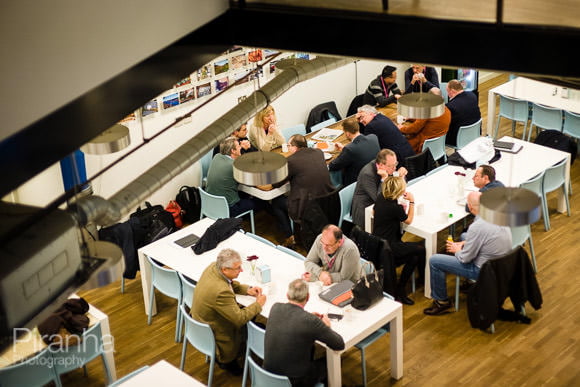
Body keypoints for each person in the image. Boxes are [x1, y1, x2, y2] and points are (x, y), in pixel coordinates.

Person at [423, 192, 512, 315]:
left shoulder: (477, 227)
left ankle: (442, 302)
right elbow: (486, 237)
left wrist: (457, 250)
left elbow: (465, 259)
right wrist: (465, 243)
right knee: (464, 236)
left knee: (434, 261)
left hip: (484, 270)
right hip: (503, 264)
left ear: (470, 207)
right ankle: (469, 282)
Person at [190, 249, 266, 374]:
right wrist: (258, 304)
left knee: (250, 315)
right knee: (259, 326)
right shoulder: (221, 292)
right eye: (238, 268)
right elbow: (239, 319)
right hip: (219, 336)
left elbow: (228, 283)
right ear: (225, 269)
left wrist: (247, 290)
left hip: (201, 327)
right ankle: (229, 362)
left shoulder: (213, 268)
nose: (241, 270)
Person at [207, 137, 292, 240]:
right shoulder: (233, 166)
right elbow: (260, 185)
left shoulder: (217, 157)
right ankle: (281, 226)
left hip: (211, 203)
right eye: (238, 146)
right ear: (233, 151)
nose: (240, 148)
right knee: (263, 201)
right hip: (229, 208)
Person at [263, 279, 345, 386]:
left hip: (267, 373)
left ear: (287, 295)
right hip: (295, 381)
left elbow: (294, 319)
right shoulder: (310, 321)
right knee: (331, 363)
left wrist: (310, 318)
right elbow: (339, 344)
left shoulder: (275, 307)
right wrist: (327, 327)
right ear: (308, 297)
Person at [372, 176, 425, 305]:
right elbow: (408, 220)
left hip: (378, 244)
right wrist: (412, 202)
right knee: (420, 249)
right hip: (390, 247)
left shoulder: (380, 198)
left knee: (414, 257)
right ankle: (422, 279)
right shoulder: (395, 207)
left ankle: (401, 289)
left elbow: (374, 212)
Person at [351, 149, 408, 228]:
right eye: (391, 166)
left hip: (381, 206)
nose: (395, 168)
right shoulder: (367, 174)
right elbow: (378, 199)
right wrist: (384, 179)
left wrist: (402, 177)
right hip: (365, 209)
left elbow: (396, 186)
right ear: (381, 165)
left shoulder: (388, 167)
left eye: (395, 164)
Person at [328, 118, 380, 186]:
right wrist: (344, 149)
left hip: (356, 182)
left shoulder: (350, 149)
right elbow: (360, 150)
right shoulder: (373, 137)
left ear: (348, 133)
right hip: (374, 176)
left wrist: (345, 150)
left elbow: (333, 165)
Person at [445, 79, 481, 147]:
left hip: (458, 139)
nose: (447, 94)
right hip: (475, 133)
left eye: (447, 91)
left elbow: (446, 125)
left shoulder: (450, 106)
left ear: (452, 91)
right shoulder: (472, 95)